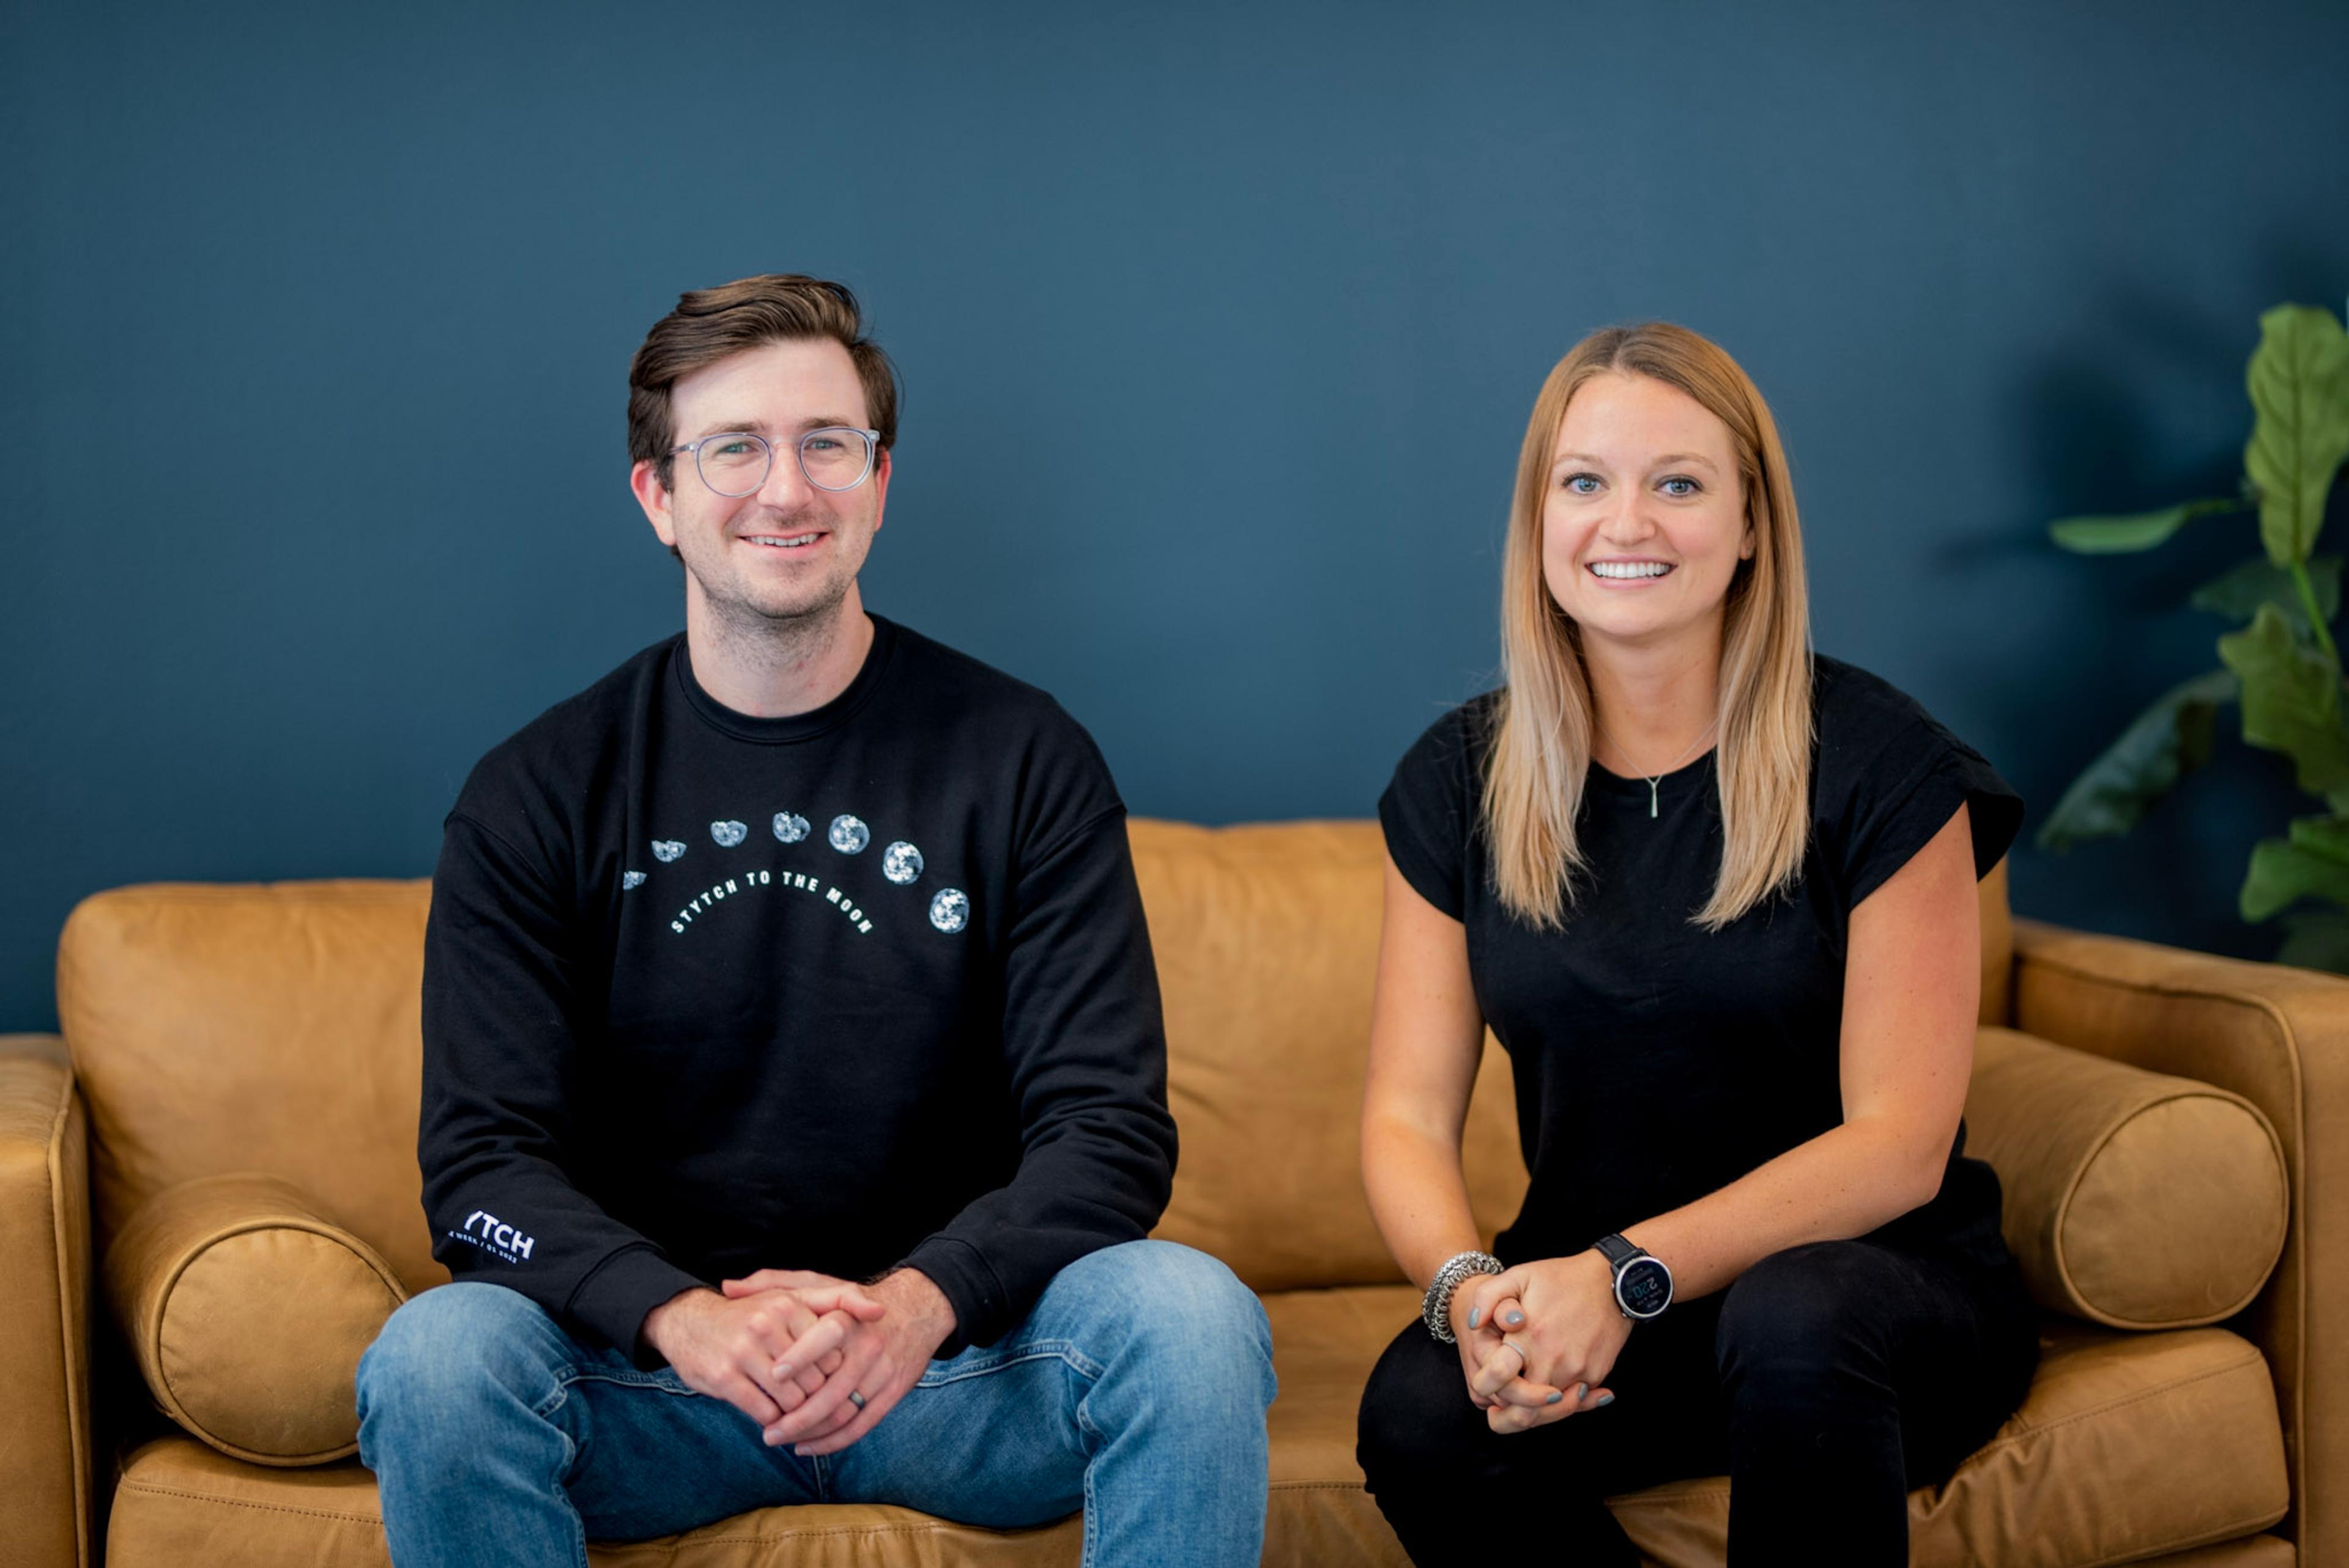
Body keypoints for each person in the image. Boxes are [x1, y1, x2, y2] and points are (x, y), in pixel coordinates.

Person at [355, 273, 1274, 1568]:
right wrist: (679, 1317)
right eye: (732, 448)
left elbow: (1110, 1131)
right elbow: (481, 1170)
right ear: (657, 496)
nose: (785, 490)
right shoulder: (537, 793)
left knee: (1187, 1312)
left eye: (825, 444)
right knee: (440, 1356)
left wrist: (916, 1304)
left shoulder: (1022, 758)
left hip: (954, 1377)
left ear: (878, 480)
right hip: (653, 1394)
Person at [1353, 322, 2039, 1565]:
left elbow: (1900, 1142)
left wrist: (1622, 1270)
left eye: (1679, 482)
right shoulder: (1458, 779)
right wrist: (1470, 1293)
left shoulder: (1884, 766)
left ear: (1751, 524)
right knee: (1417, 1405)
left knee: (1793, 1310)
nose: (1629, 522)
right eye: (1586, 482)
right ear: (1540, 521)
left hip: (1875, 1296)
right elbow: (1404, 1114)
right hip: (1623, 1305)